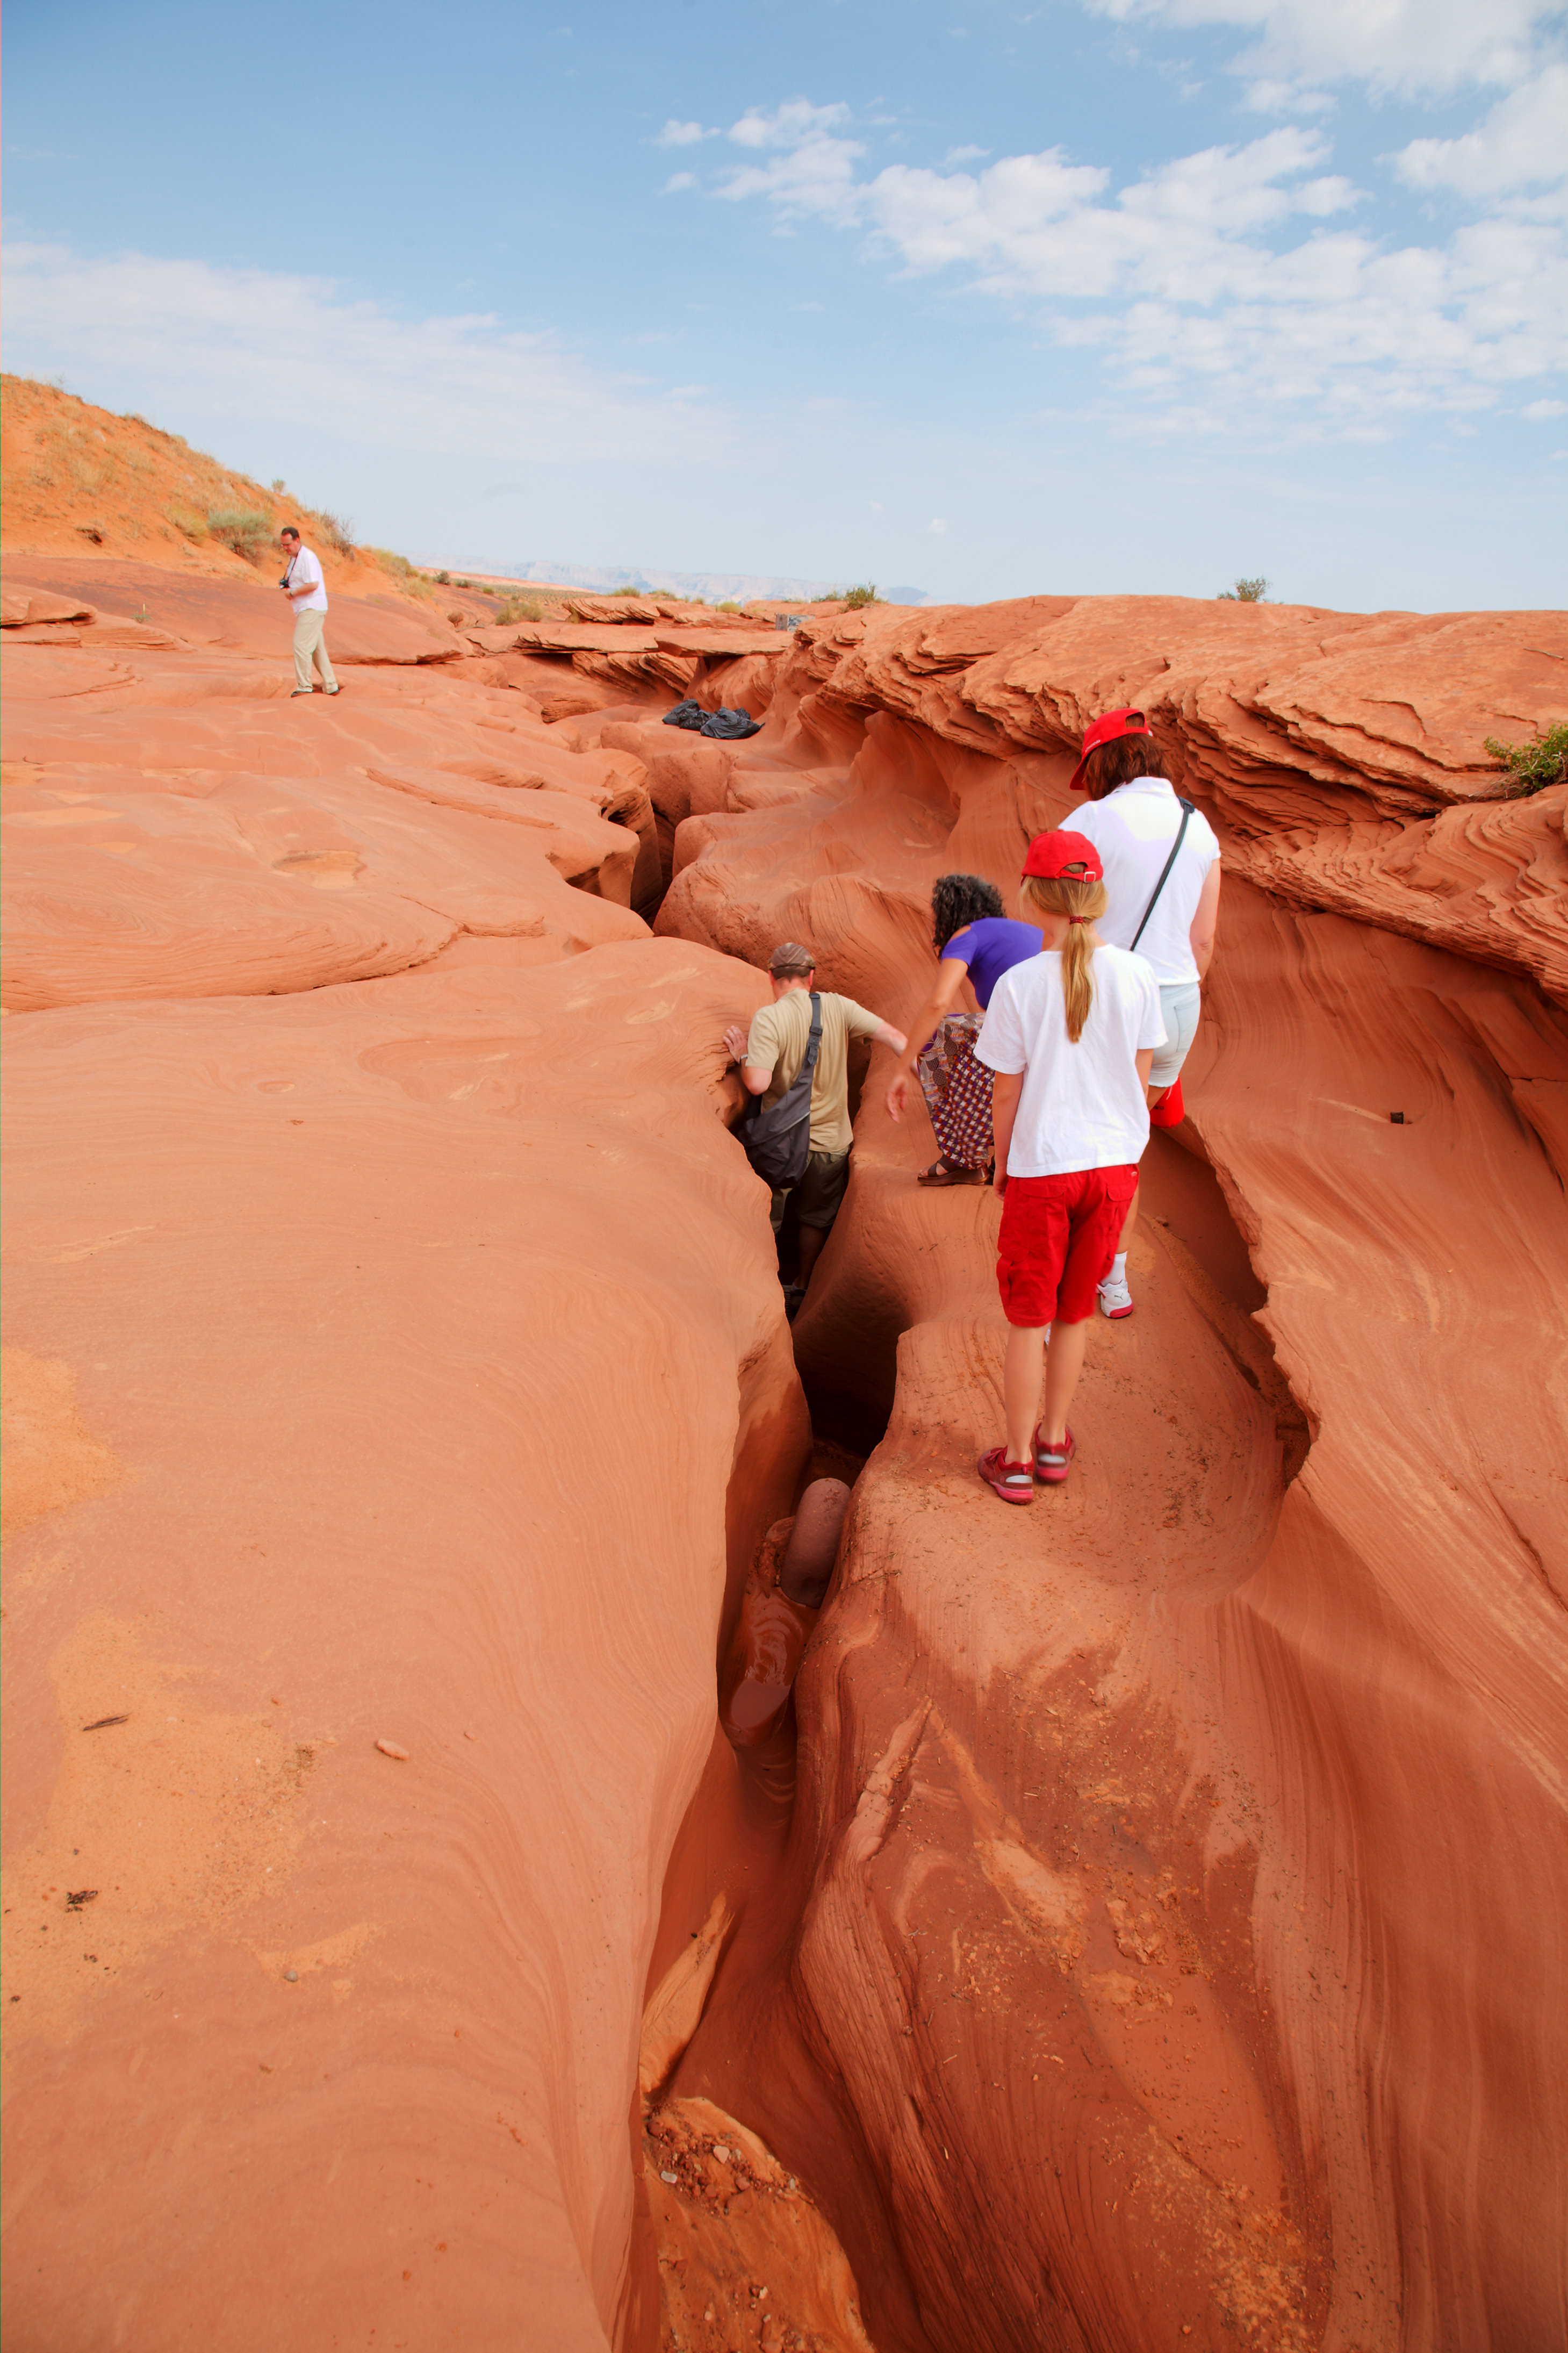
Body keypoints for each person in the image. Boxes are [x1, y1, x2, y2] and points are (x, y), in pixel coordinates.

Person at [972, 829, 1165, 1503]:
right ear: (1097, 894)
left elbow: (1005, 1090)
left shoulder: (1018, 985)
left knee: (1030, 1317)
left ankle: (1018, 1459)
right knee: (1074, 1312)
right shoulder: (1138, 974)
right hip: (1112, 1167)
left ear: (1034, 894)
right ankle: (1054, 1441)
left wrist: (1002, 1163)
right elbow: (1142, 1079)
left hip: (1045, 1166)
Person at [1065, 708, 1221, 1319]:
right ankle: (1115, 1280)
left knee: (1083, 1145)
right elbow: (1203, 941)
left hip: (1107, 1002)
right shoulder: (1197, 825)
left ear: (1104, 761)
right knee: (1127, 1148)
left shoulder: (1091, 820)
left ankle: (1080, 1276)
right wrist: (1171, 1002)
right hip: (1177, 1003)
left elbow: (1062, 921)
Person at [723, 943, 907, 1311]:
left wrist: (743, 1054)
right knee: (816, 1216)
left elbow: (757, 1084)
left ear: (771, 977)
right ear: (811, 977)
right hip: (831, 1143)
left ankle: (766, 1288)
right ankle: (804, 1283)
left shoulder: (769, 1019)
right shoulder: (839, 1006)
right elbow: (897, 1038)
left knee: (768, 1216)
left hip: (780, 1144)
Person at [884, 873, 1042, 1183]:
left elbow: (937, 1003)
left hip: (1029, 1038)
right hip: (1055, 1036)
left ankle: (963, 1156)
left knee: (940, 1035)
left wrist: (903, 1067)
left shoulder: (968, 936)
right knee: (985, 1043)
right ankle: (1002, 1147)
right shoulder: (1025, 932)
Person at [278, 526, 339, 699]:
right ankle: (331, 685)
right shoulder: (295, 558)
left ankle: (304, 687)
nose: (285, 548)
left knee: (300, 645)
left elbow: (313, 584)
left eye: (288, 544)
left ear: (297, 540)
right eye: (283, 545)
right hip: (306, 608)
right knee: (317, 649)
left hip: (312, 607)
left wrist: (293, 593)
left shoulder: (308, 557)